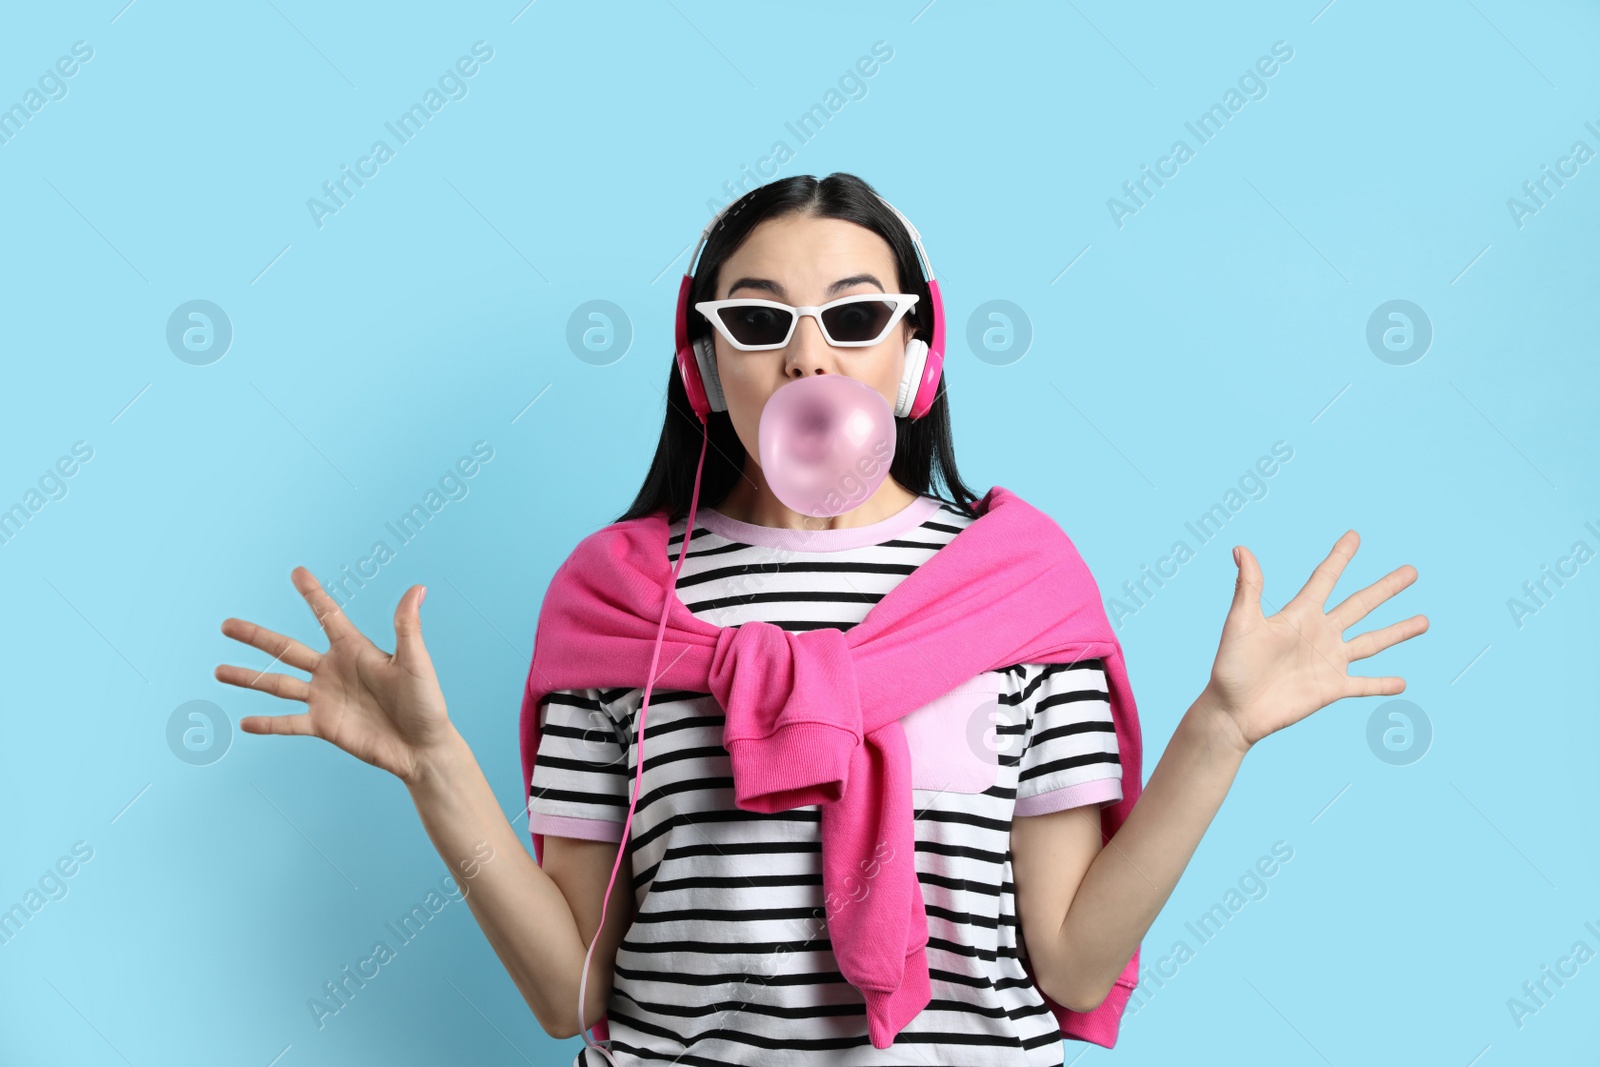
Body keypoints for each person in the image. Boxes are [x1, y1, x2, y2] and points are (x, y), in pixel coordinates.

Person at [214, 172, 1429, 1065]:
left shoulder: (1020, 584)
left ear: (915, 357)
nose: (808, 358)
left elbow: (1066, 962)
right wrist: (435, 767)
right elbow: (563, 989)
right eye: (757, 320)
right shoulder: (617, 602)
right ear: (703, 367)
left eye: (854, 317)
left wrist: (1218, 728)